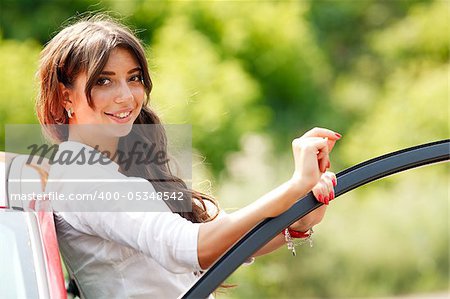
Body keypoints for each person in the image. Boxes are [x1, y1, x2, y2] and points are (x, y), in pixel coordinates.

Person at [35, 14, 341, 298]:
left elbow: (218, 246)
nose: (126, 96)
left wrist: (296, 223)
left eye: (134, 78)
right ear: (65, 96)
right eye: (104, 81)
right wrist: (293, 188)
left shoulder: (118, 168)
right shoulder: (80, 176)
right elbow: (193, 247)